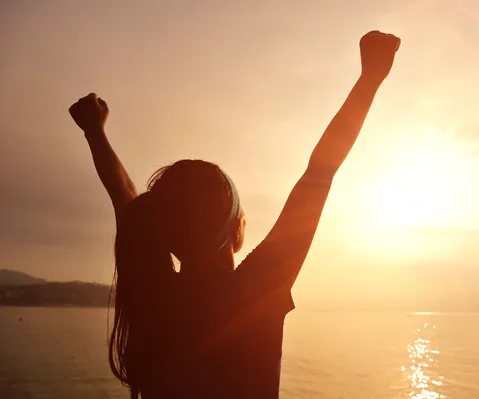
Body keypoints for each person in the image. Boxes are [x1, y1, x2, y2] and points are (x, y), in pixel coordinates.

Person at [69, 30, 400, 399]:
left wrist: (95, 133)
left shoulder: (153, 294)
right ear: (236, 232)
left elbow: (125, 200)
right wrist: (370, 79)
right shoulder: (253, 291)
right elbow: (319, 172)